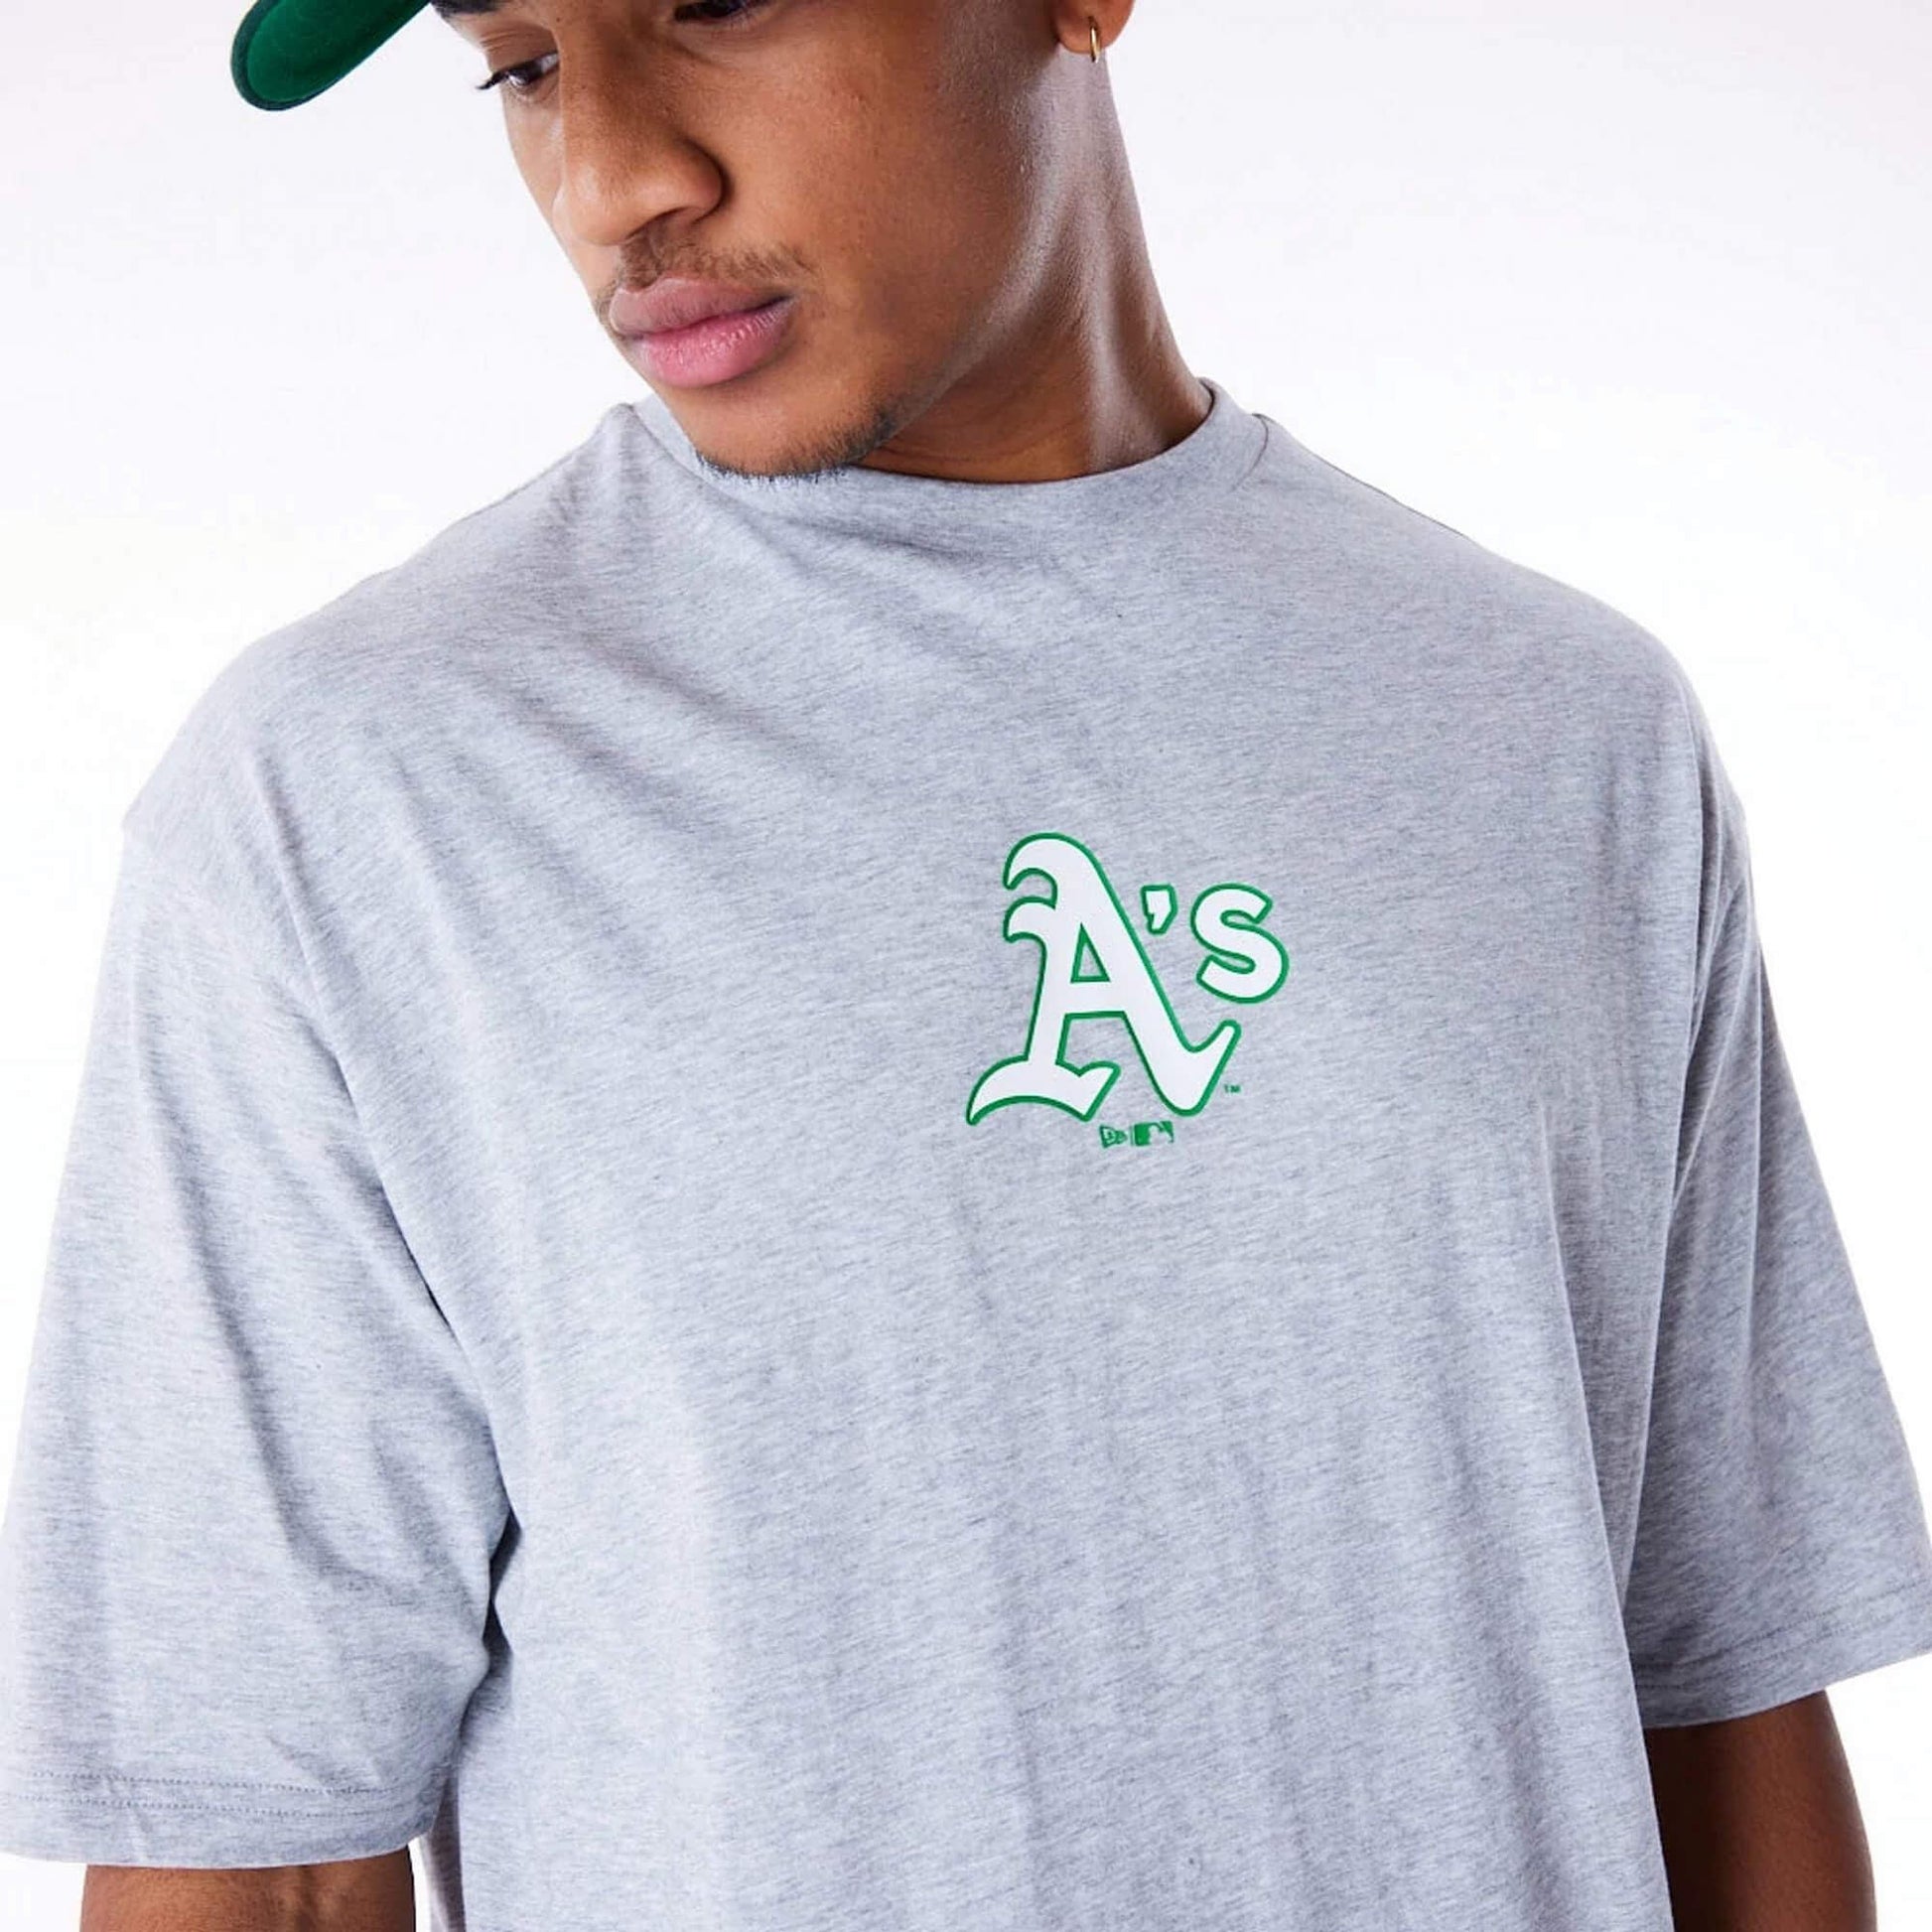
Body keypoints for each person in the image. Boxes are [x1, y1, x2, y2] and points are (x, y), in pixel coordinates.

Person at [3, 1, 1929, 1927]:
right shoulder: (357, 801)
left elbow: (1717, 1699)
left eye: (715, 2)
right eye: (523, 63)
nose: (611, 178)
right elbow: (261, 1860)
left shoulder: (1560, 732)